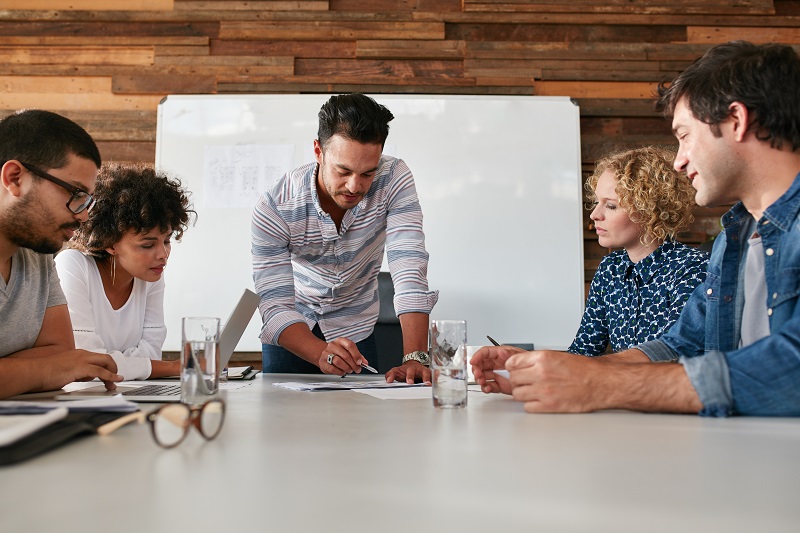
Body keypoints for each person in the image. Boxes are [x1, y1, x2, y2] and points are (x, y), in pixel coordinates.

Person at [471, 40, 800, 417]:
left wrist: (600, 384)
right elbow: (679, 345)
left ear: (737, 120)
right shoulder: (734, 239)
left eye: (684, 135)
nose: (678, 161)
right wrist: (550, 368)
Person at [252, 93, 438, 382]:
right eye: (343, 171)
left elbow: (409, 268)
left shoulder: (394, 179)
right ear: (318, 151)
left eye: (368, 173)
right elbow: (276, 304)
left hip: (356, 332)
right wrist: (319, 352)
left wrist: (415, 356)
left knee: (360, 424)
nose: (355, 186)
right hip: (293, 332)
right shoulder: (275, 207)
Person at [0, 109, 121, 399]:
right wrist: (48, 368)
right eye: (75, 193)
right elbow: (63, 365)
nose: (82, 217)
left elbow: (61, 352)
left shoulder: (38, 252)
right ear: (15, 178)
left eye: (87, 200)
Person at [55, 163, 194, 380]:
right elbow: (89, 362)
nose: (163, 254)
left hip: (130, 393)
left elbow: (151, 354)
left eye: (166, 241)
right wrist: (175, 367)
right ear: (109, 242)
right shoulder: (72, 265)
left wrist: (120, 361)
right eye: (147, 245)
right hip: (82, 399)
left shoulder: (151, 274)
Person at [569, 146, 708, 357]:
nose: (594, 215)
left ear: (648, 209)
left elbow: (671, 357)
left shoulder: (691, 269)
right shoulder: (610, 269)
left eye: (611, 206)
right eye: (597, 203)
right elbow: (583, 352)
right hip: (621, 387)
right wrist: (523, 359)